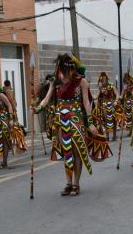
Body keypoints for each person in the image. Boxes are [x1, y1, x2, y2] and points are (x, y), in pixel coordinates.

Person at [33, 54, 109, 196]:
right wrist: (37, 108)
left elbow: (86, 103)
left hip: (77, 120)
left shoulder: (81, 82)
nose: (64, 73)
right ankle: (68, 183)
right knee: (66, 151)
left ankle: (76, 184)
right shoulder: (55, 82)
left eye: (68, 69)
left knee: (77, 152)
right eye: (62, 69)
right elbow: (47, 99)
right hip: (61, 121)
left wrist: (90, 123)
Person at [95, 72, 120, 141]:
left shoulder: (112, 86)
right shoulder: (100, 88)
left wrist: (115, 101)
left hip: (112, 104)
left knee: (113, 120)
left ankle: (114, 135)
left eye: (104, 80)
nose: (103, 82)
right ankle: (107, 135)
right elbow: (96, 96)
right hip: (103, 106)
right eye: (102, 80)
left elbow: (117, 95)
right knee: (105, 120)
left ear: (107, 79)